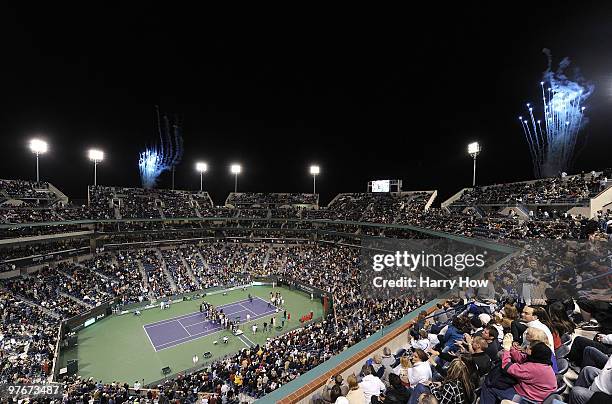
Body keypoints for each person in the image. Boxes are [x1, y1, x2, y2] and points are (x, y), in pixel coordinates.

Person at [480, 335, 556, 404]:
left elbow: (507, 367)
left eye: (529, 348)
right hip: (538, 393)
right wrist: (511, 348)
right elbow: (521, 358)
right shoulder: (542, 361)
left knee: (489, 386)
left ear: (534, 352)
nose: (526, 348)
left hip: (530, 398)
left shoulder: (533, 368)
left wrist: (506, 350)